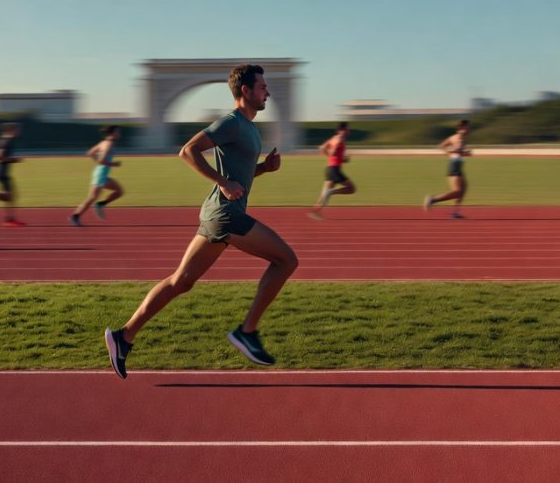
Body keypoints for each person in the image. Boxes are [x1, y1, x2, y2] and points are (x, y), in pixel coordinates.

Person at [105, 64, 298, 379]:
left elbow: (239, 173)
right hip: (226, 216)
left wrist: (263, 169)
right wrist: (222, 182)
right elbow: (188, 151)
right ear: (245, 91)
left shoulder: (250, 127)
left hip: (216, 216)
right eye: (262, 86)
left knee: (181, 282)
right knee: (286, 260)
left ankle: (123, 336)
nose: (268, 92)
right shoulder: (232, 122)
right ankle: (246, 332)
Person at [70, 125, 124, 226]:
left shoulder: (103, 143)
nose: (119, 134)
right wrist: (114, 164)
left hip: (101, 173)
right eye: (118, 132)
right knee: (92, 197)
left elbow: (90, 153)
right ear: (112, 133)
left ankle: (101, 204)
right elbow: (101, 160)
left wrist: (99, 162)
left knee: (119, 191)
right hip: (101, 175)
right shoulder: (108, 145)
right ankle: (75, 216)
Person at [424, 119, 472, 218]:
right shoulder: (461, 136)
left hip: (456, 163)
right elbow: (457, 150)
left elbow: (442, 146)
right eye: (468, 127)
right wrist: (462, 152)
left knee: (464, 188)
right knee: (457, 191)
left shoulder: (453, 137)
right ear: (462, 128)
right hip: (455, 164)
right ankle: (432, 200)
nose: (469, 128)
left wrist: (453, 152)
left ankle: (455, 212)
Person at [309, 122, 356, 219]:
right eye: (347, 129)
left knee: (324, 194)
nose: (349, 131)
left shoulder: (334, 138)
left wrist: (339, 158)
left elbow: (321, 147)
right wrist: (341, 157)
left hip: (329, 169)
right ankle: (332, 192)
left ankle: (315, 212)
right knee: (352, 188)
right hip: (335, 170)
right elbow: (333, 152)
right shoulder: (340, 139)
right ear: (342, 130)